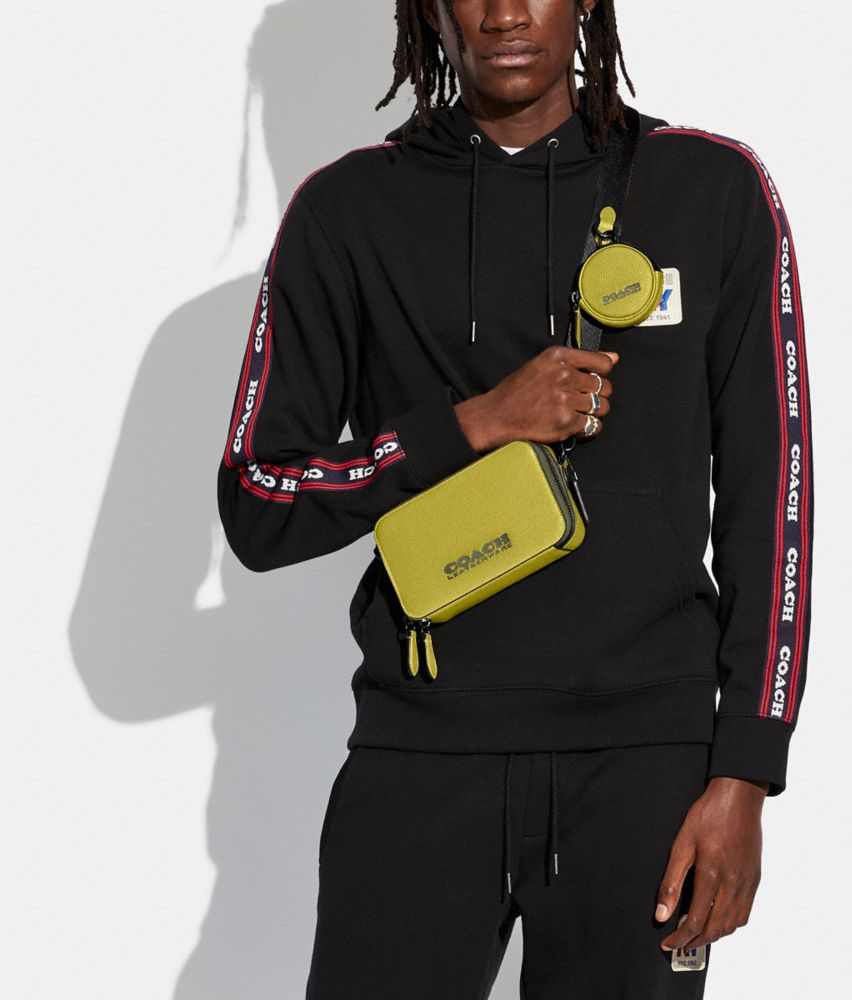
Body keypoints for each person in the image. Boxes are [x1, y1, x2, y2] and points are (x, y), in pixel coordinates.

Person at [216, 0, 814, 996]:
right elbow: (258, 498)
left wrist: (746, 770)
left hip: (645, 769)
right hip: (421, 751)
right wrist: (470, 424)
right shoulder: (348, 211)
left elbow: (775, 503)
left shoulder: (708, 189)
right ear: (429, 9)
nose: (503, 13)